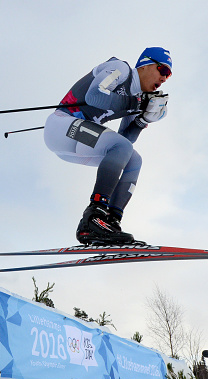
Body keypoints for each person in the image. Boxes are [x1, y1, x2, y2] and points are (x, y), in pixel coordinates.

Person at [43, 47, 172, 245]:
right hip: (61, 125)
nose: (164, 78)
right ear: (145, 64)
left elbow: (123, 144)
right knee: (122, 149)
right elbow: (94, 96)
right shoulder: (120, 69)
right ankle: (94, 216)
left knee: (133, 159)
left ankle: (109, 222)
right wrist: (136, 103)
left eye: (168, 75)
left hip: (75, 141)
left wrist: (142, 120)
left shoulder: (137, 97)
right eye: (163, 70)